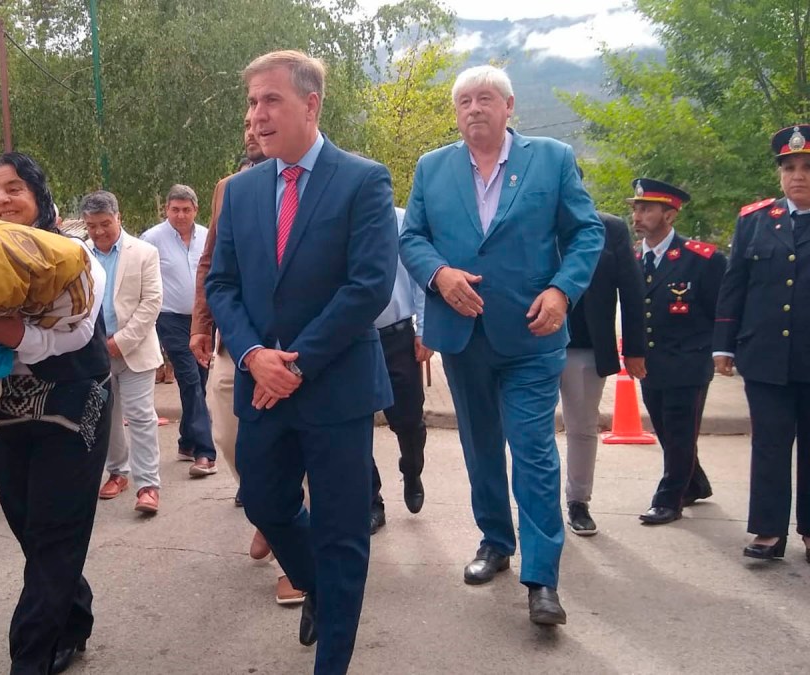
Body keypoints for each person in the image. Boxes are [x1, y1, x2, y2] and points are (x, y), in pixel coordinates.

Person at [206, 50, 397, 674]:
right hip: (261, 386)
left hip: (335, 388)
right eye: (251, 102)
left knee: (342, 532)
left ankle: (332, 658)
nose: (256, 115)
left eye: (271, 100)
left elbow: (368, 286)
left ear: (310, 105)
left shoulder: (363, 180)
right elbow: (222, 284)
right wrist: (254, 355)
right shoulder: (240, 191)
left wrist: (297, 364)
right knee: (265, 503)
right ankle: (318, 585)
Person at [400, 65, 603, 625]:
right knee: (480, 445)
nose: (474, 109)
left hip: (532, 333)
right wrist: (439, 274)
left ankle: (542, 578)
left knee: (533, 449)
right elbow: (412, 237)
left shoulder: (552, 159)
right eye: (464, 100)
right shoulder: (432, 167)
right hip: (463, 335)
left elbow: (587, 231)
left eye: (485, 98)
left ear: (509, 106)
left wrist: (563, 290)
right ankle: (495, 540)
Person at [0, 152, 112, 674]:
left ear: (39, 195)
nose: (2, 199)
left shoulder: (74, 254)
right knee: (30, 528)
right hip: (8, 410)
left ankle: (28, 658)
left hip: (75, 404)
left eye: (14, 188)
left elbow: (77, 333)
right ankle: (74, 616)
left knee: (56, 532)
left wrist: (14, 335)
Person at [193, 112, 306, 605]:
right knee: (227, 435)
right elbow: (212, 263)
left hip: (300, 348)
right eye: (245, 121)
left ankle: (294, 560)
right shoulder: (230, 189)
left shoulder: (321, 179)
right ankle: (272, 512)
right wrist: (201, 324)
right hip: (236, 343)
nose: (254, 128)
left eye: (267, 111)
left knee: (297, 448)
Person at [715, 124, 810, 562]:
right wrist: (724, 345)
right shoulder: (755, 220)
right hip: (765, 354)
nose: (798, 175)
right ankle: (769, 530)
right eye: (789, 168)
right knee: (769, 444)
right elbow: (735, 284)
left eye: (806, 167)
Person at [630, 178, 723, 525]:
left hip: (689, 362)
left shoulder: (702, 259)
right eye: (636, 208)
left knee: (680, 432)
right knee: (666, 431)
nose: (637, 216)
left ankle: (669, 500)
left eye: (646, 209)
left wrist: (721, 353)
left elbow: (720, 311)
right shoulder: (633, 258)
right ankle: (695, 483)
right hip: (650, 363)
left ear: (669, 215)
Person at [560, 204, 647, 536]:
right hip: (534, 345)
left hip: (586, 346)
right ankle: (537, 504)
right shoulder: (529, 218)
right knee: (531, 432)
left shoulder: (609, 228)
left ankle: (578, 502)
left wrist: (635, 349)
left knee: (582, 428)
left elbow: (632, 289)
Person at [84, 191, 165, 514]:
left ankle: (148, 486)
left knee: (141, 416)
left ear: (118, 218)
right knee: (106, 417)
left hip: (134, 350)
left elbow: (152, 302)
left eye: (105, 223)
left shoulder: (144, 252)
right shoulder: (79, 254)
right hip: (93, 352)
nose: (99, 231)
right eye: (92, 226)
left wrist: (120, 342)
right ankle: (118, 472)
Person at [140, 185, 218, 476]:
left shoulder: (208, 237)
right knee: (189, 379)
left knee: (200, 380)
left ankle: (187, 442)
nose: (181, 215)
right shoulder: (152, 239)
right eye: (175, 209)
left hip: (203, 321)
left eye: (186, 209)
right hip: (170, 318)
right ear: (167, 210)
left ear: (196, 210)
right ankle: (205, 453)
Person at [370, 206, 432, 533]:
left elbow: (421, 277)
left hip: (397, 336)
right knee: (354, 425)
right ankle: (371, 500)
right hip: (352, 338)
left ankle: (411, 469)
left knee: (408, 419)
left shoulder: (402, 220)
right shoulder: (338, 214)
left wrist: (424, 330)